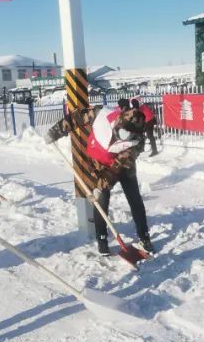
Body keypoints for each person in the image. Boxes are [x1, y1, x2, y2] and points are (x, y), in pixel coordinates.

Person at [46, 103, 153, 256]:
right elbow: (77, 117)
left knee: (134, 198)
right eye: (121, 131)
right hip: (100, 163)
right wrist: (56, 131)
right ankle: (102, 240)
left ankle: (144, 237)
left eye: (127, 135)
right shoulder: (101, 114)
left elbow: (116, 169)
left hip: (122, 166)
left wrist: (100, 187)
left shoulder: (135, 144)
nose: (121, 137)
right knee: (101, 201)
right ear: (119, 120)